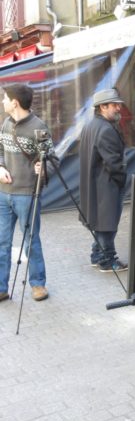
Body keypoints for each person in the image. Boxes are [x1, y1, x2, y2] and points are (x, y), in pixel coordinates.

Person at [0, 84, 53, 302]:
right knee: (2, 242)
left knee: (31, 240)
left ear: (15, 102)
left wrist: (44, 166)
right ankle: (2, 288)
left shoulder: (39, 127)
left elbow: (52, 157)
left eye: (4, 98)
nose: (2, 102)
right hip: (3, 194)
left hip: (27, 194)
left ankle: (38, 285)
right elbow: (0, 150)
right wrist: (0, 167)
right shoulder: (5, 123)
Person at [79, 88, 128, 273]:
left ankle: (97, 255)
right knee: (107, 223)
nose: (118, 108)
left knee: (101, 221)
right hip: (105, 185)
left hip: (95, 183)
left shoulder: (91, 125)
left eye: (118, 105)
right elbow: (114, 163)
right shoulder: (105, 129)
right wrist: (122, 178)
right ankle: (107, 260)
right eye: (114, 105)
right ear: (102, 107)